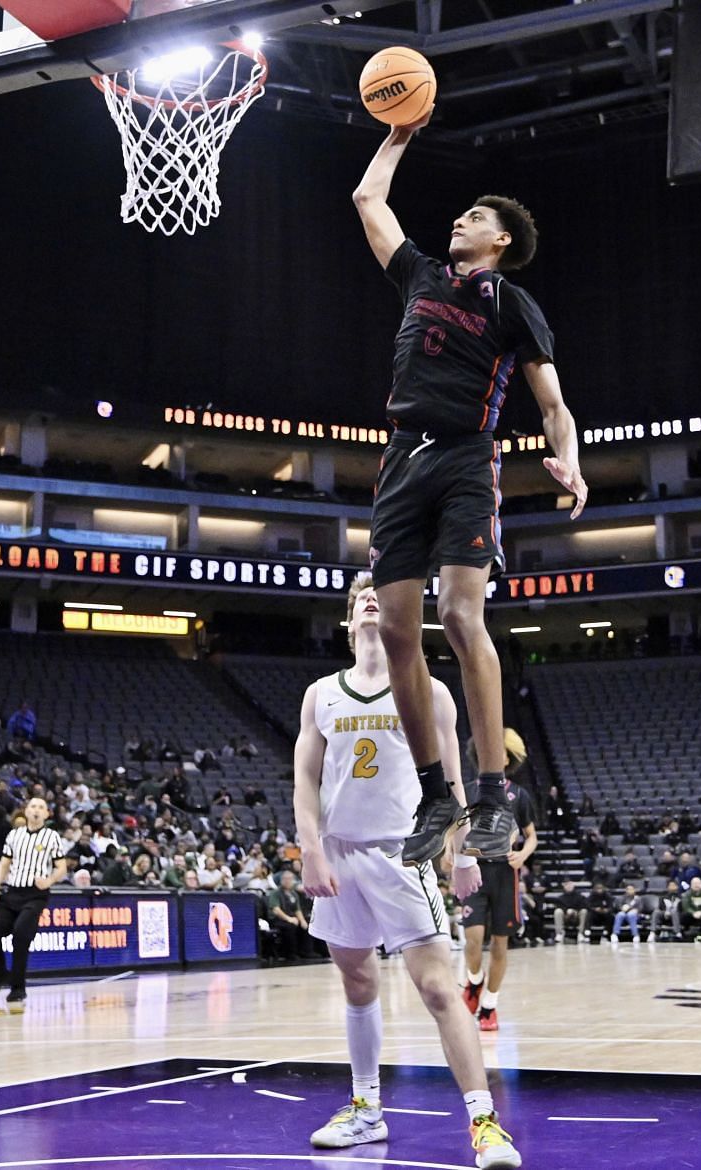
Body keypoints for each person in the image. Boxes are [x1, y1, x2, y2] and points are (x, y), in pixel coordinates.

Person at [351, 112, 584, 875]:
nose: (460, 219)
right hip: (399, 460)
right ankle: (435, 794)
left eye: (475, 216)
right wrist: (397, 135)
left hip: (463, 460)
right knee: (393, 630)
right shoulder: (420, 274)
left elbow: (551, 402)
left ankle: (491, 791)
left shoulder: (511, 302)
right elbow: (367, 201)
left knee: (457, 613)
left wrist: (568, 462)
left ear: (502, 241)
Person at [294, 574, 520, 1169]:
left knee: (439, 989)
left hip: (404, 853)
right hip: (340, 854)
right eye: (359, 596)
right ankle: (366, 1109)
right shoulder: (321, 694)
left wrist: (464, 851)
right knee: (358, 985)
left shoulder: (432, 692)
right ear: (348, 622)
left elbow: (451, 781)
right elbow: (304, 779)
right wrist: (309, 847)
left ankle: (485, 1123)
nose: (371, 597)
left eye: (379, 592)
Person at [460, 730, 537, 1032]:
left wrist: (523, 855)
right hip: (475, 869)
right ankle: (474, 981)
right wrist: (450, 855)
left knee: (500, 945)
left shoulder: (519, 795)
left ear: (507, 758)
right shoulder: (467, 791)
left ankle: (489, 1006)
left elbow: (532, 837)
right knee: (473, 939)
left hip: (506, 873)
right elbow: (454, 828)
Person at [0, 796, 68, 1014]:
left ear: (47, 814)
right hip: (12, 893)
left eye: (41, 807)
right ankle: (0, 974)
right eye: (33, 806)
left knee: (21, 935)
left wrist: (48, 880)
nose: (36, 810)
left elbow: (61, 868)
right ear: (26, 811)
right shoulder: (14, 835)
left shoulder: (52, 837)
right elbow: (3, 865)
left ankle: (18, 989)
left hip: (35, 894)